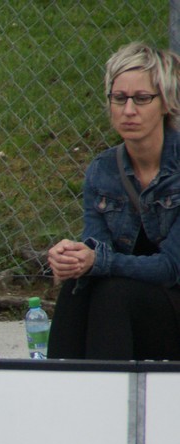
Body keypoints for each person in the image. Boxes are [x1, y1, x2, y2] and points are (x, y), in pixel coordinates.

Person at [47, 43, 180, 360]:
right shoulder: (102, 170)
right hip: (129, 306)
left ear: (166, 102)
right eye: (119, 98)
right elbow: (97, 247)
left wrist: (97, 261)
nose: (128, 110)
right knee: (77, 289)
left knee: (113, 293)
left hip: (168, 303)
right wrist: (73, 259)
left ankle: (107, 388)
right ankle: (57, 385)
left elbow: (171, 268)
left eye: (142, 98)